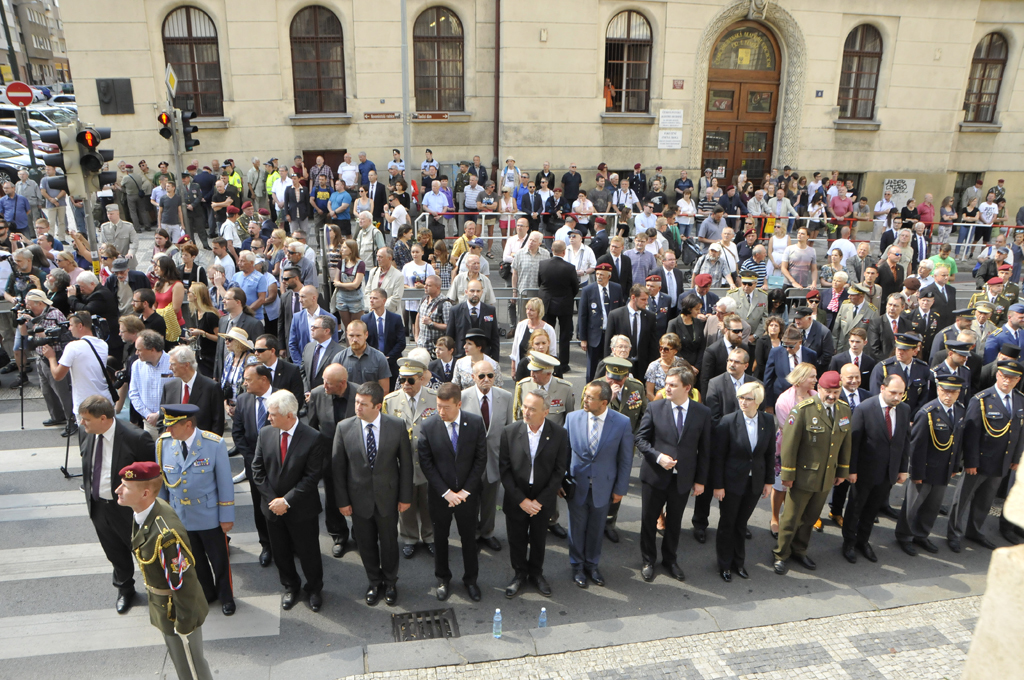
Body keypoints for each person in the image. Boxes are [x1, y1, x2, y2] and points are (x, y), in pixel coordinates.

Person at [117, 460, 213, 680]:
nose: (118, 490)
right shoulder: (146, 512)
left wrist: (185, 623)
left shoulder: (165, 535)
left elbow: (184, 582)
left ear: (145, 493)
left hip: (176, 611)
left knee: (190, 666)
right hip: (163, 605)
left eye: (126, 487)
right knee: (181, 662)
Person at [331, 381, 413, 607]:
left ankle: (390, 582)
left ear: (378, 406)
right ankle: (374, 582)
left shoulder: (396, 426)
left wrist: (405, 497)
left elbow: (406, 464)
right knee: (365, 544)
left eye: (363, 404)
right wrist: (342, 501)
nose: (358, 407)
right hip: (358, 500)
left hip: (388, 498)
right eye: (357, 402)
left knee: (389, 543)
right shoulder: (344, 428)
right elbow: (338, 469)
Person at [251, 390, 328, 612]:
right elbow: (257, 470)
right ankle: (290, 586)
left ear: (289, 415)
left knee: (308, 552)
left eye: (273, 414)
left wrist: (286, 501)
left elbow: (312, 477)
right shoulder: (265, 433)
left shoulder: (313, 437)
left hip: (301, 509)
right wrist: (273, 501)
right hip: (272, 509)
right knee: (280, 552)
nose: (268, 418)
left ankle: (314, 589)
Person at [78, 395, 156, 613]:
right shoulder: (85, 433)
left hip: (129, 510)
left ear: (103, 418)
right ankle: (125, 589)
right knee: (114, 552)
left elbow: (153, 477)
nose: (82, 423)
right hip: (99, 507)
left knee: (144, 552)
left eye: (86, 419)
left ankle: (159, 590)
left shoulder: (136, 438)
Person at [155, 404, 235, 616]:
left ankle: (226, 596)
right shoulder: (163, 444)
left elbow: (225, 483)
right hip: (181, 515)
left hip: (209, 515)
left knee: (219, 560)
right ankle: (207, 593)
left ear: (188, 425)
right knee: (194, 560)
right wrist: (163, 516)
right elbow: (162, 483)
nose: (168, 430)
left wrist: (226, 516)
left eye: (172, 426)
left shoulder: (213, 444)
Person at [772, 370, 851, 575]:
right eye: (827, 392)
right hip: (803, 476)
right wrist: (787, 475)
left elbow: (845, 443)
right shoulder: (803, 410)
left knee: (810, 517)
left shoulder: (843, 410)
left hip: (826, 476)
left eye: (836, 392)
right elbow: (789, 445)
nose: (832, 396)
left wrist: (842, 470)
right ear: (820, 389)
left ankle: (800, 550)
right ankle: (781, 554)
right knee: (791, 518)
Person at [415, 382, 488, 602]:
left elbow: (480, 459)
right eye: (438, 405)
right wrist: (446, 492)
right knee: (440, 538)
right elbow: (426, 463)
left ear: (459, 404)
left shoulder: (475, 423)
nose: (441, 411)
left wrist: (466, 491)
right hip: (440, 497)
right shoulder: (428, 426)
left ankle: (471, 580)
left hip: (467, 496)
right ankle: (442, 578)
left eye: (446, 407)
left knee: (469, 539)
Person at [947, 360, 1024, 552]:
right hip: (980, 460)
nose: (1007, 381)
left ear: (1018, 380)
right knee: (962, 499)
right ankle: (954, 533)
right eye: (1004, 376)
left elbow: (1020, 432)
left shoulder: (1020, 399)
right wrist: (970, 461)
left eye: (1012, 378)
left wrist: (1016, 458)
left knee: (985, 500)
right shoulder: (982, 400)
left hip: (1002, 461)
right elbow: (971, 435)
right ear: (997, 375)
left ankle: (974, 531)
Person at [500, 388, 569, 599]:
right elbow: (505, 470)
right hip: (517, 497)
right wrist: (521, 500)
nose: (526, 412)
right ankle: (519, 574)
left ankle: (536, 574)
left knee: (539, 539)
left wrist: (539, 501)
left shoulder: (559, 434)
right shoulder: (509, 432)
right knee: (516, 539)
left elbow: (559, 471)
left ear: (545, 412)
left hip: (542, 498)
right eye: (525, 407)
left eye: (532, 409)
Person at [564, 381, 633, 588]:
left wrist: (620, 489)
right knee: (576, 529)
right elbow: (563, 453)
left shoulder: (622, 422)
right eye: (585, 395)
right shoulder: (572, 418)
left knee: (596, 529)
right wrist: (561, 480)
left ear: (604, 402)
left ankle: (592, 565)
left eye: (590, 397)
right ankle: (577, 566)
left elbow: (625, 459)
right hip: (577, 485)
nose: (584, 400)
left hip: (604, 487)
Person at [841, 373, 911, 564]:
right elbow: (854, 443)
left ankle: (863, 541)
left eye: (901, 393)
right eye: (893, 392)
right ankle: (849, 542)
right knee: (856, 508)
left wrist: (903, 469)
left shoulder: (904, 409)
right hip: (864, 471)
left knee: (872, 510)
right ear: (882, 388)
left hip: (888, 472)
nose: (897, 397)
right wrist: (851, 470)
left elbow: (904, 441)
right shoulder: (865, 408)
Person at [895, 375, 966, 556]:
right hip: (925, 469)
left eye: (953, 392)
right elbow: (916, 447)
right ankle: (904, 536)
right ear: (938, 390)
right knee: (913, 505)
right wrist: (916, 473)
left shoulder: (959, 411)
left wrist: (955, 467)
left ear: (959, 393)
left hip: (944, 468)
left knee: (933, 506)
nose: (948, 396)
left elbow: (957, 443)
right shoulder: (927, 413)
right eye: (945, 391)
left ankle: (921, 534)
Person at [712, 381, 775, 582]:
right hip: (731, 482)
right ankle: (724, 564)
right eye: (741, 397)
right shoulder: (728, 421)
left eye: (748, 398)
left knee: (741, 523)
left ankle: (738, 562)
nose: (743, 402)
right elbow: (718, 456)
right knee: (728, 523)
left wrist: (769, 481)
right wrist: (718, 485)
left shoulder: (767, 420)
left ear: (758, 401)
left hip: (754, 482)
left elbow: (769, 453)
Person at [460, 359, 514, 553]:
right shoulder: (462, 397)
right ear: (473, 377)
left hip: (495, 459)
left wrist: (507, 461)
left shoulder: (506, 397)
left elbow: (508, 430)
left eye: (490, 375)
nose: (486, 379)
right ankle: (473, 534)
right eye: (481, 376)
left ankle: (487, 533)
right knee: (471, 501)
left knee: (490, 501)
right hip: (470, 462)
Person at [161, 345, 225, 435]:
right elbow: (162, 419)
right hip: (174, 442)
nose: (170, 368)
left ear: (186, 365)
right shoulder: (169, 387)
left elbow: (218, 423)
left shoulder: (211, 387)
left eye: (173, 364)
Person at [578, 263, 623, 381]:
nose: (599, 277)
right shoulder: (588, 290)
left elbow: (620, 312)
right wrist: (583, 338)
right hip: (594, 335)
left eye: (602, 275)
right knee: (592, 367)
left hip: (611, 335)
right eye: (597, 274)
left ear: (609, 276)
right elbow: (583, 315)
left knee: (610, 365)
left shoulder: (617, 288)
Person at [604, 284, 657, 383]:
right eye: (643, 299)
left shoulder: (650, 317)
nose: (646, 302)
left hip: (642, 365)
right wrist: (609, 364)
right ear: (633, 297)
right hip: (620, 364)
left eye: (647, 299)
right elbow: (608, 344)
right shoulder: (616, 315)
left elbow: (653, 344)